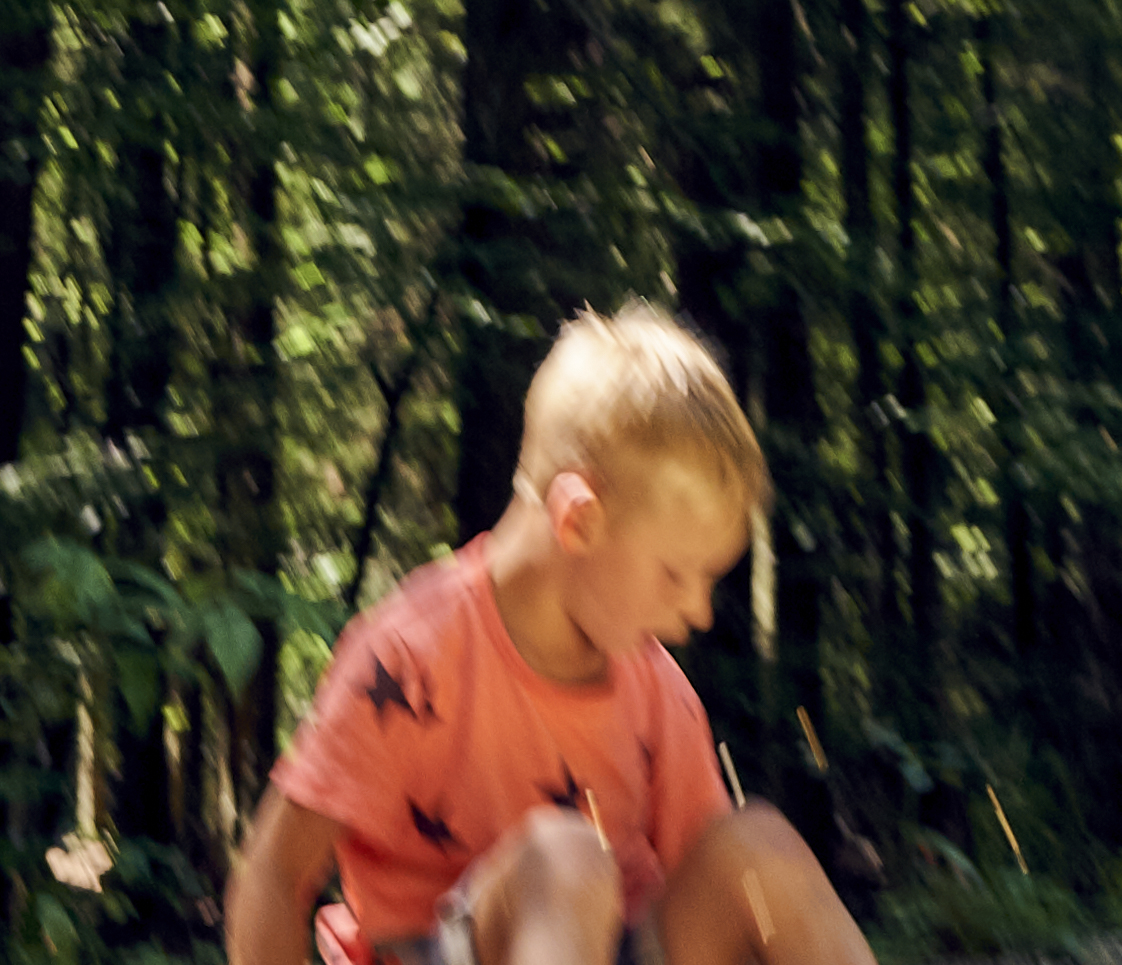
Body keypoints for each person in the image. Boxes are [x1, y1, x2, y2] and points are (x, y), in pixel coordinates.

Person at [223, 305, 857, 965]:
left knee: (757, 847)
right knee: (568, 857)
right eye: (675, 574)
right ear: (578, 521)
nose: (700, 612)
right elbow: (274, 872)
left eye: (708, 581)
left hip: (615, 947)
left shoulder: (658, 692)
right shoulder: (410, 658)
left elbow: (710, 888)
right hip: (439, 947)